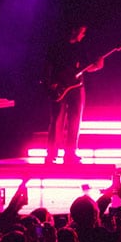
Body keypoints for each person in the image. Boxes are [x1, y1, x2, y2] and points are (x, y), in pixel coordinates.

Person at [44, 23, 104, 165]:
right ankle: (51, 153)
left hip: (77, 86)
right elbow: (48, 65)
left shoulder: (81, 48)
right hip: (59, 86)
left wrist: (97, 66)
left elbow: (87, 66)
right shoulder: (57, 46)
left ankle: (70, 153)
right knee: (57, 119)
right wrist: (50, 82)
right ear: (73, 30)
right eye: (81, 32)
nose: (82, 36)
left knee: (75, 120)